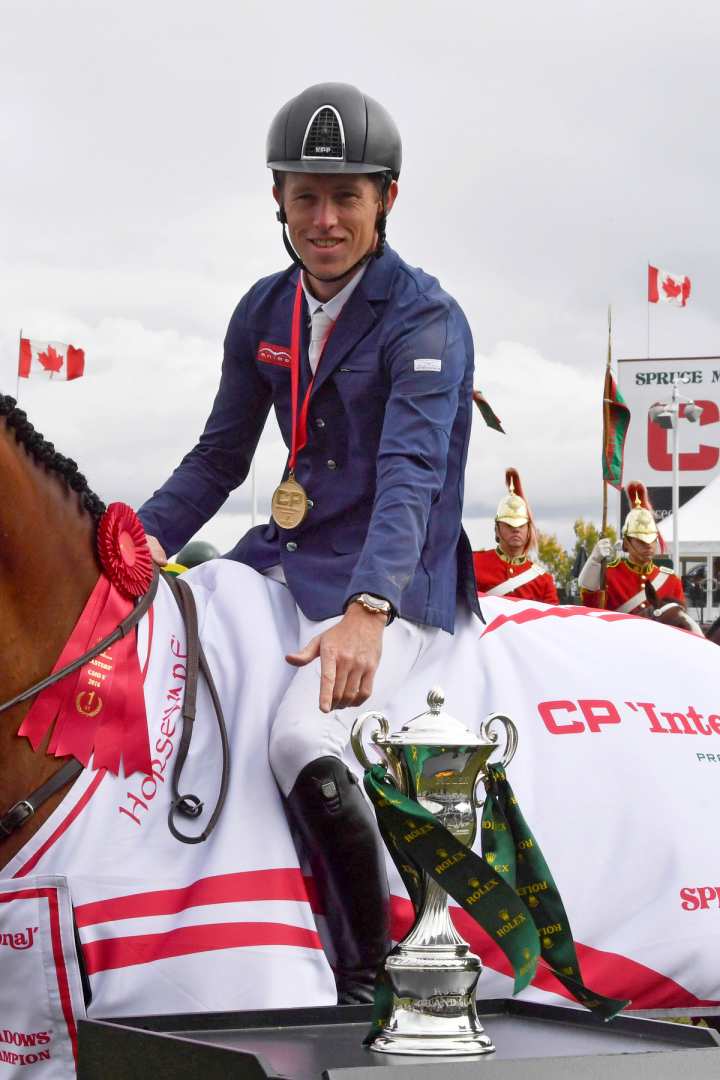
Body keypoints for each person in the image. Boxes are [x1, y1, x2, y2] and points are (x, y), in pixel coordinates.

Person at [137, 82, 478, 1003]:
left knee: (297, 735)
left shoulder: (426, 318)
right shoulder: (262, 310)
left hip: (391, 584)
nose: (324, 221)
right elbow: (216, 460)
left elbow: (413, 478)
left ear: (388, 200)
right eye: (305, 198)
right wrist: (122, 545)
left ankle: (371, 974)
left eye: (346, 199)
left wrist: (368, 613)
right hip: (283, 559)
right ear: (279, 200)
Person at [578, 481, 686, 612]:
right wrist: (594, 562)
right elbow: (590, 606)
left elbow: (679, 622)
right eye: (641, 541)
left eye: (652, 540)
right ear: (626, 543)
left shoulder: (671, 580)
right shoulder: (609, 574)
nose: (648, 546)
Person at [472, 469, 559, 603]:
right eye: (509, 525)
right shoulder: (474, 563)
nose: (516, 530)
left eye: (521, 525)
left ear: (528, 530)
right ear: (497, 530)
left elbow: (550, 620)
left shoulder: (543, 580)